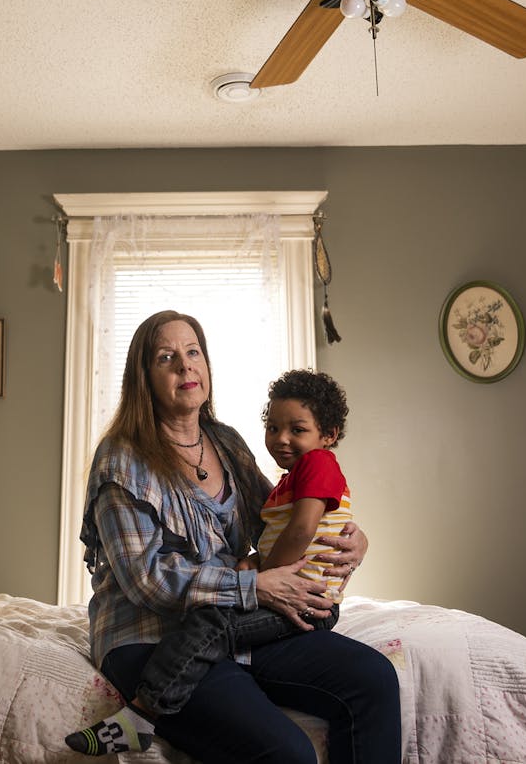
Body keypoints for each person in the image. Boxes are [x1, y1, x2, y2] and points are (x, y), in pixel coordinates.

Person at [68, 311, 401, 763]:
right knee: (289, 753)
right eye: (167, 357)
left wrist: (354, 540)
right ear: (143, 378)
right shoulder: (122, 458)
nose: (185, 366)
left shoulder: (226, 442)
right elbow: (146, 579)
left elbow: (280, 522)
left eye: (193, 352)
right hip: (153, 639)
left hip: (236, 625)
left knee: (374, 679)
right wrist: (253, 585)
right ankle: (142, 718)